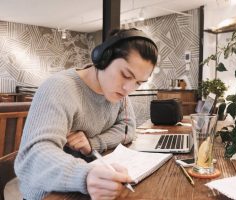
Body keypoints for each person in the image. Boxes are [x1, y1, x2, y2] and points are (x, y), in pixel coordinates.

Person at [14, 28, 158, 200]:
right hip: (50, 194)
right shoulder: (59, 88)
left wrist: (93, 143)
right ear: (103, 59)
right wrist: (85, 174)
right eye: (126, 75)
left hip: (87, 189)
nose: (129, 89)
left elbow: (127, 129)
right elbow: (33, 157)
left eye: (138, 83)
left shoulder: (119, 93)